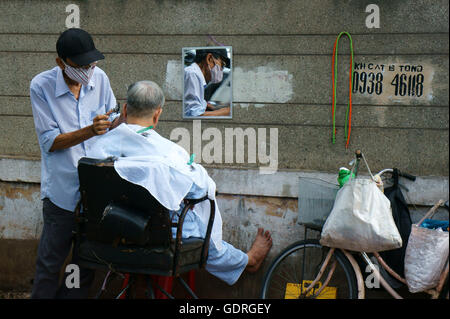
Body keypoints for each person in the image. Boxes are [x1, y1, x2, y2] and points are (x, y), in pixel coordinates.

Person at [89, 80, 272, 285]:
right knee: (202, 232)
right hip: (156, 237)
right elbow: (202, 189)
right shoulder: (168, 153)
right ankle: (248, 260)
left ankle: (243, 260)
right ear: (157, 114)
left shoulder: (96, 148)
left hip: (109, 234)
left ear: (124, 109)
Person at [29, 28, 123, 298]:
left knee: (83, 267)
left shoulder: (100, 79)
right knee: (50, 263)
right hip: (61, 193)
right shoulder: (41, 86)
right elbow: (50, 141)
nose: (88, 70)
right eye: (80, 65)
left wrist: (122, 121)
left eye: (91, 64)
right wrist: (90, 131)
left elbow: (112, 124)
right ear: (61, 62)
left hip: (95, 193)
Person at [184, 48, 231, 117]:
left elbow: (196, 105)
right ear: (209, 59)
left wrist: (214, 107)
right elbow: (194, 115)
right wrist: (226, 112)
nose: (221, 70)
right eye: (222, 65)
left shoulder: (196, 76)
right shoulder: (192, 74)